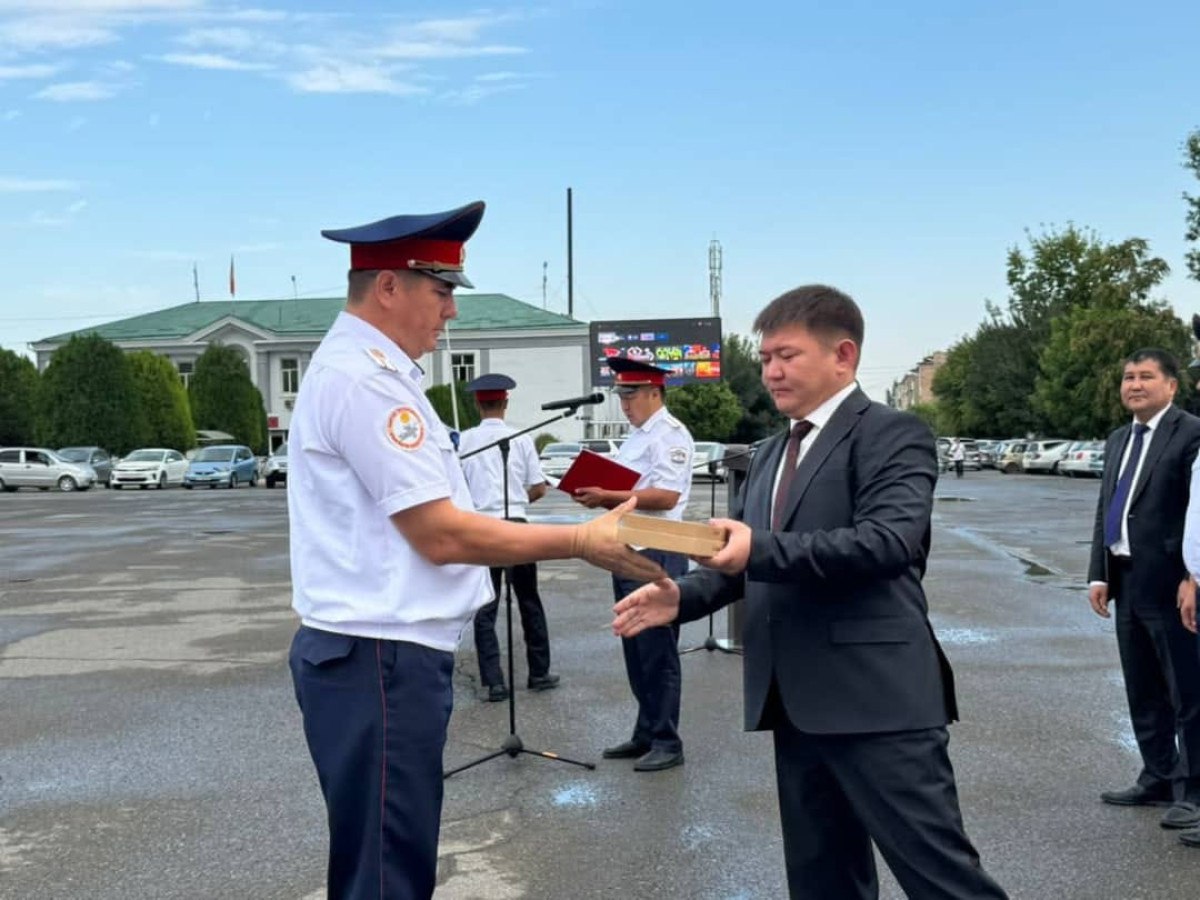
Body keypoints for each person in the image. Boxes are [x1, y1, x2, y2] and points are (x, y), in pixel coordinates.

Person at [285, 200, 664, 900]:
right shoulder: (366, 381)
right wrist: (581, 540)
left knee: (384, 863)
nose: (451, 311)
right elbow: (441, 533)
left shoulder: (375, 372)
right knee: (386, 873)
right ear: (389, 286)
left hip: (379, 655)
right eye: (441, 290)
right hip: (379, 657)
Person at [612, 285, 1008, 898]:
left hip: (877, 701)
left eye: (787, 355)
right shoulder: (771, 452)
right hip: (793, 703)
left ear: (843, 356)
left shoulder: (892, 434)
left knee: (943, 880)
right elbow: (739, 560)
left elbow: (887, 542)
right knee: (823, 881)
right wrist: (681, 598)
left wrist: (757, 549)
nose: (771, 371)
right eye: (765, 357)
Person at [1089, 348, 1200, 837]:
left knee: (1187, 690)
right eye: (1129, 376)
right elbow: (1106, 508)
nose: (1134, 385)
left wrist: (1193, 577)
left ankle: (1192, 790)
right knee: (1142, 685)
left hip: (1173, 584)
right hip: (1127, 580)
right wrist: (1099, 574)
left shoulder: (1190, 434)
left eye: (1146, 376)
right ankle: (1158, 774)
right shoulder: (1119, 439)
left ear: (1171, 385)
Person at [572, 356, 694, 773]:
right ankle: (646, 730)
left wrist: (608, 494)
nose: (625, 404)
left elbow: (667, 496)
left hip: (657, 549)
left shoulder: (670, 434)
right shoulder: (636, 437)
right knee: (636, 649)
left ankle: (667, 740)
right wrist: (600, 494)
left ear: (655, 393)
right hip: (629, 546)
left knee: (658, 651)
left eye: (632, 395)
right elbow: (628, 490)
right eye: (621, 396)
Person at [458, 372, 559, 702]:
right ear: (505, 402)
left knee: (486, 607)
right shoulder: (522, 438)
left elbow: (457, 489)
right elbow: (539, 488)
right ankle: (539, 672)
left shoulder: (464, 441)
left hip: (481, 527)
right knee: (529, 600)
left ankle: (494, 682)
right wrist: (516, 500)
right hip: (516, 524)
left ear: (478, 405)